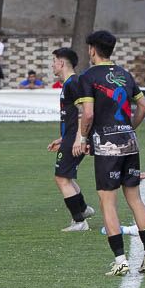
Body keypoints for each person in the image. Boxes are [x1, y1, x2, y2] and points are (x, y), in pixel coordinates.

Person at [73, 29, 145, 276]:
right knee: (135, 198)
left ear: (92, 50)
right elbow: (143, 105)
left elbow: (87, 113)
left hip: (107, 145)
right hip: (130, 143)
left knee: (107, 202)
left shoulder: (88, 76)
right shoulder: (124, 74)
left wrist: (82, 137)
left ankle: (120, 259)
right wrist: (130, 127)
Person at [46, 47, 95, 232]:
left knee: (61, 178)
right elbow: (72, 117)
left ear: (61, 63)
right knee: (65, 176)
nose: (52, 65)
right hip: (71, 137)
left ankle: (79, 221)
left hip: (77, 139)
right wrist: (63, 138)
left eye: (53, 61)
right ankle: (83, 209)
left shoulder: (73, 83)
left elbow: (85, 112)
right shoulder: (69, 84)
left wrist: (79, 139)